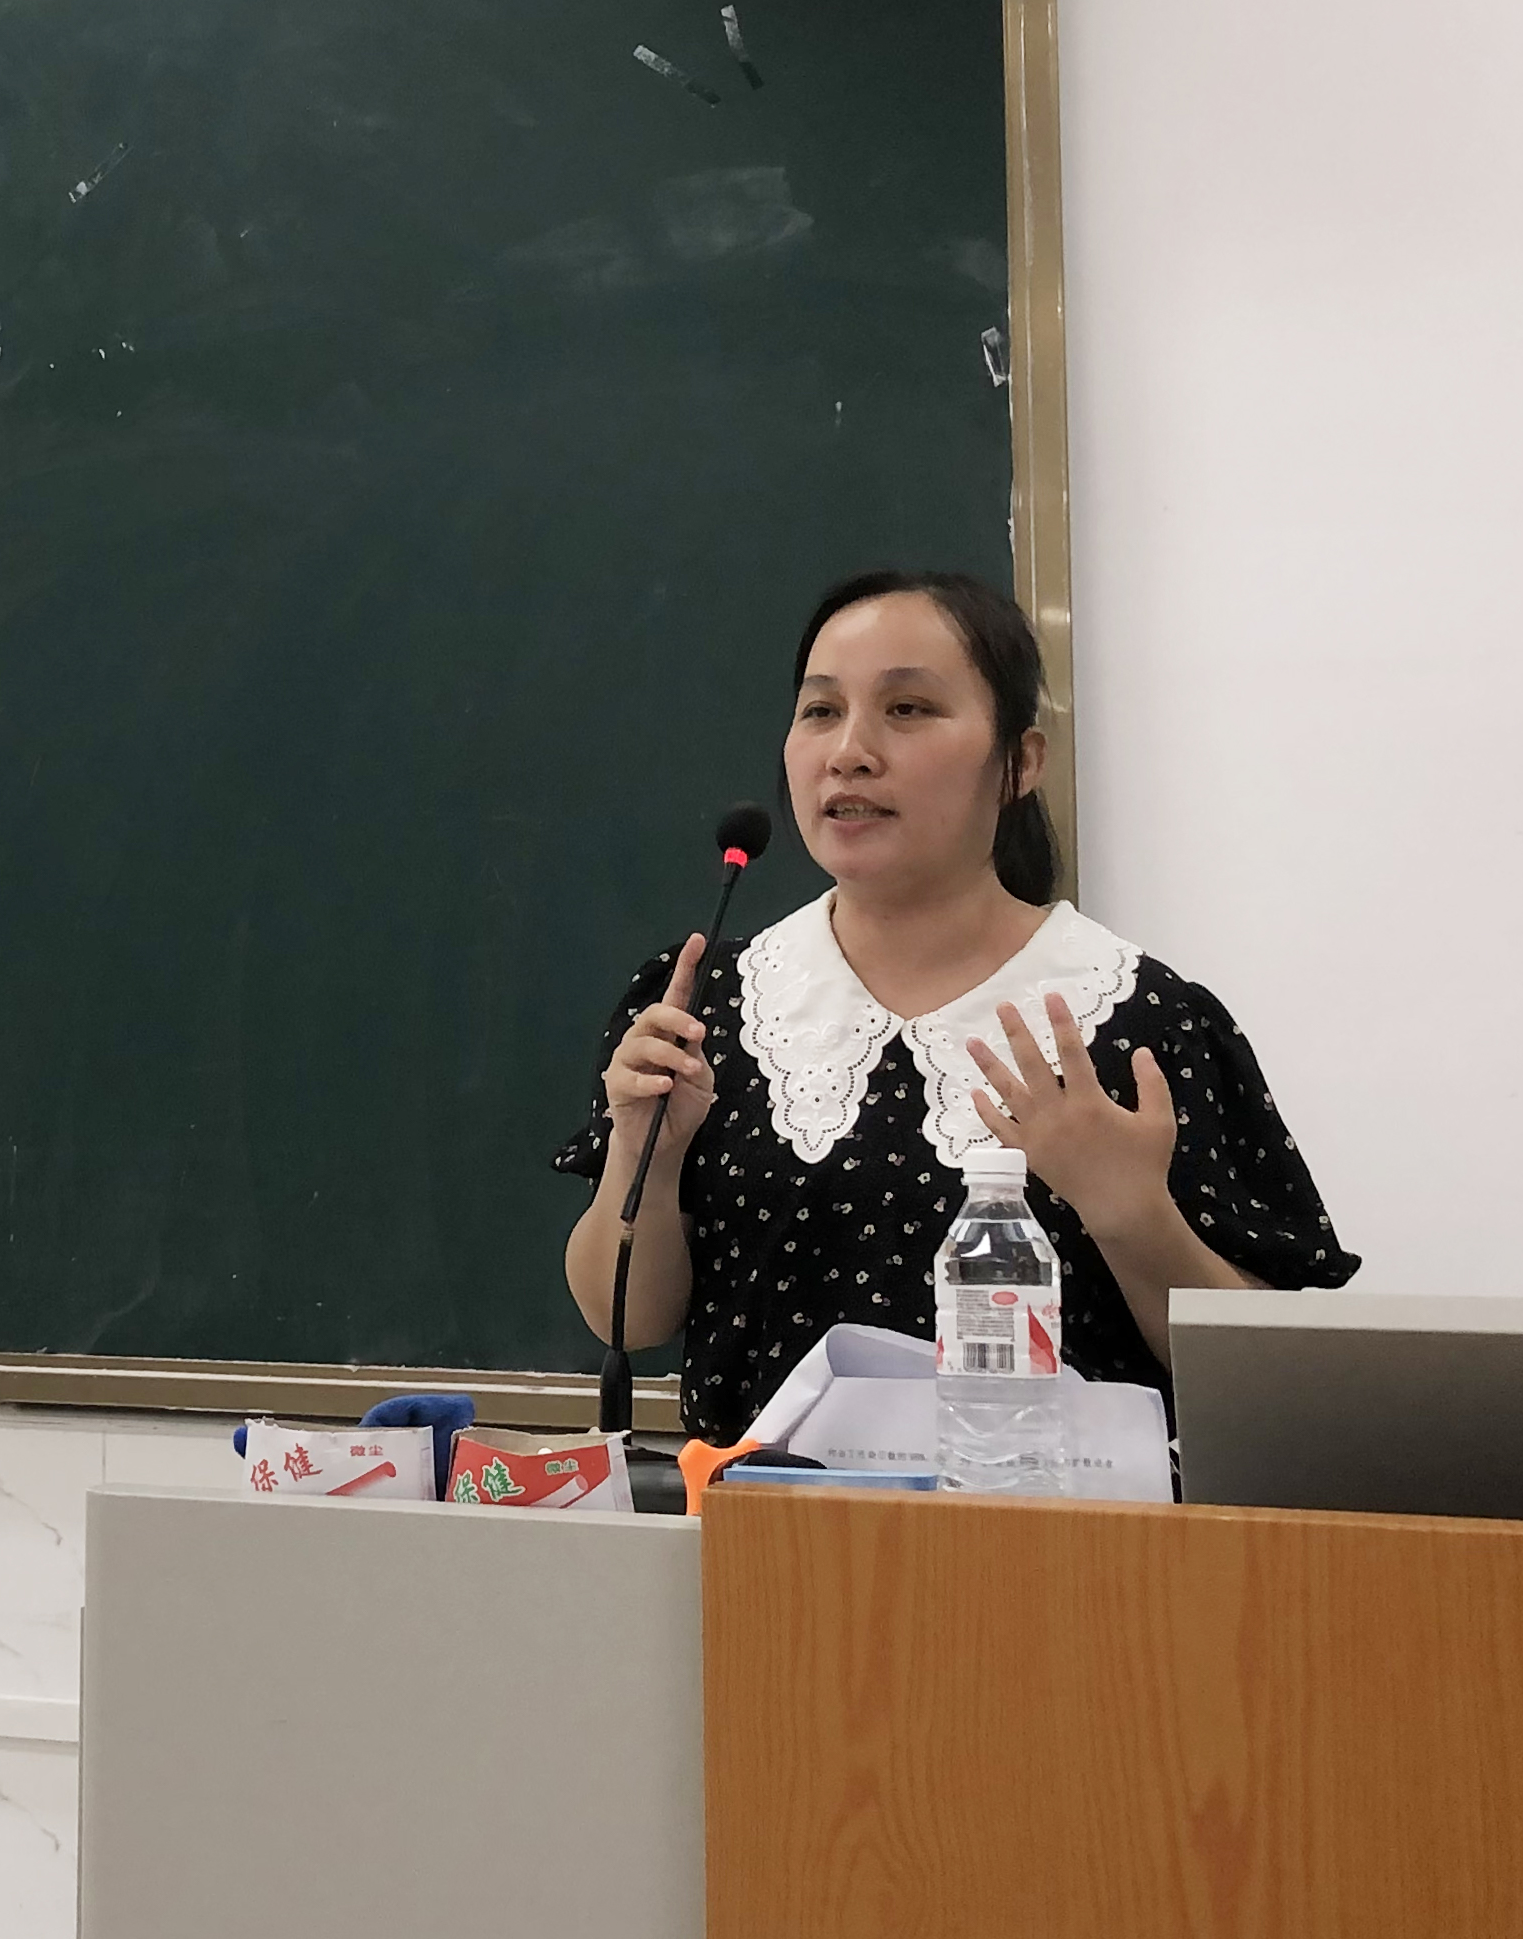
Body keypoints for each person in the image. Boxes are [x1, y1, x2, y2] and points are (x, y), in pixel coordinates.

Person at [555, 569, 1357, 1445]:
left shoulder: (1140, 1019)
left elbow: (1268, 1378)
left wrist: (1130, 1212)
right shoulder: (704, 1002)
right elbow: (627, 1320)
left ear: (1021, 762)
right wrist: (645, 1152)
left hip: (1057, 1523)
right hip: (762, 1521)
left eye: (907, 709)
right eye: (820, 710)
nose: (849, 751)